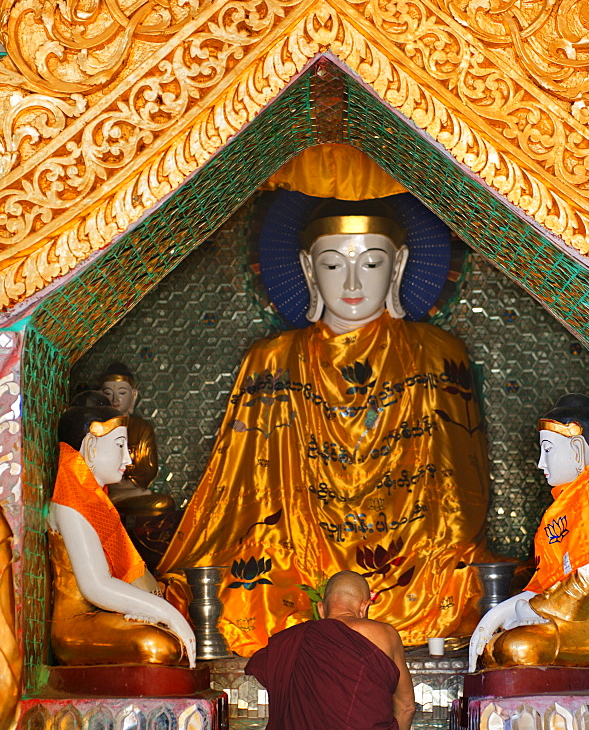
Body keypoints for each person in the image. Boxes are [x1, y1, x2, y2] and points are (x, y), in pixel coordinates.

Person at [159, 197, 491, 656]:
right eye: (334, 265)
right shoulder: (270, 359)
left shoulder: (438, 352)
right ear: (308, 270)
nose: (353, 282)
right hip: (299, 543)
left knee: (460, 571)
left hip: (410, 545)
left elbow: (457, 489)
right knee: (251, 577)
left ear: (398, 268)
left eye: (372, 263)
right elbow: (240, 483)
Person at [243, 570, 445, 730]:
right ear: (364, 606)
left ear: (321, 607)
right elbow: (406, 707)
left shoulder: (291, 641)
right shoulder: (384, 634)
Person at [469, 394, 589, 671]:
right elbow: (546, 580)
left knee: (515, 648)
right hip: (554, 618)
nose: (541, 463)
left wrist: (530, 610)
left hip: (587, 629)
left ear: (578, 450)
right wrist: (496, 615)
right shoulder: (562, 509)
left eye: (548, 450)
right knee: (494, 647)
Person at [49, 394, 196, 667]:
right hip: (76, 627)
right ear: (90, 447)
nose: (128, 459)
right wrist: (166, 613)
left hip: (103, 615)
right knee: (160, 646)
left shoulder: (98, 502)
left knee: (170, 635)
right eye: (120, 446)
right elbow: (96, 586)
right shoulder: (69, 502)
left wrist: (155, 610)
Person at [99, 362, 174, 515]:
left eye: (122, 393)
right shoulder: (95, 428)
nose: (115, 399)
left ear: (133, 396)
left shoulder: (142, 428)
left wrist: (126, 482)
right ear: (100, 395)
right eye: (108, 393)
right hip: (103, 492)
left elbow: (148, 469)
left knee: (164, 503)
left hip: (131, 491)